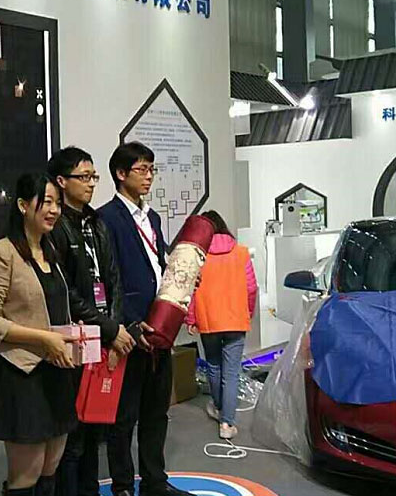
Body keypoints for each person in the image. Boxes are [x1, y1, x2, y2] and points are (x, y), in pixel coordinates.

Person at [0, 173, 81, 496]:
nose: (54, 210)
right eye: (45, 202)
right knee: (26, 475)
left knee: (51, 468)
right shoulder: (0, 252)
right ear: (23, 205)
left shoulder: (51, 252)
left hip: (57, 371)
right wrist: (44, 339)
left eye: (57, 203)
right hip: (22, 375)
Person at [96, 142, 191, 496]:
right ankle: (122, 486)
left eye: (152, 169)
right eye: (142, 169)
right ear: (121, 174)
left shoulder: (152, 218)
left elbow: (157, 268)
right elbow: (108, 280)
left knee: (156, 412)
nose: (149, 176)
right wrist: (129, 324)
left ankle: (155, 481)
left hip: (159, 328)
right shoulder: (106, 219)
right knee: (124, 417)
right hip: (129, 332)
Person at [46, 147, 135, 496]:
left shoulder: (96, 222)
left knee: (95, 426)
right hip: (75, 338)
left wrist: (114, 328)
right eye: (83, 177)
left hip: (103, 337)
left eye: (93, 176)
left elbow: (113, 278)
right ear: (61, 181)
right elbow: (66, 291)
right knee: (73, 436)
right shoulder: (56, 227)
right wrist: (110, 329)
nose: (91, 183)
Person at [185, 211, 258, 440]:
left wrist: (191, 318)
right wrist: (248, 312)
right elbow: (251, 288)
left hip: (209, 320)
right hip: (236, 320)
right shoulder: (241, 253)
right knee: (231, 372)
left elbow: (192, 289)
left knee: (214, 367)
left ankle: (218, 408)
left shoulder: (199, 256)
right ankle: (227, 423)